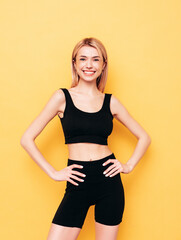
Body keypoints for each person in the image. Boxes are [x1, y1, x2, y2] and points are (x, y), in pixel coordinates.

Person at [20, 37, 151, 240]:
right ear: (75, 63)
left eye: (95, 59)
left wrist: (128, 166)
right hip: (77, 181)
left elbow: (144, 137)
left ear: (103, 65)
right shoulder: (62, 97)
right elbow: (26, 139)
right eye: (83, 59)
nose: (89, 65)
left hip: (109, 182)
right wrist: (53, 173)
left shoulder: (110, 102)